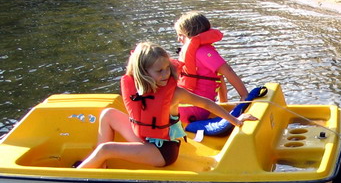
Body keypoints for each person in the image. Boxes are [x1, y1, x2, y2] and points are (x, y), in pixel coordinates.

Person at [76, 42, 255, 169]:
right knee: (108, 114)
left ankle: (77, 177)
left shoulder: (175, 94)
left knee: (106, 149)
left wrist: (236, 120)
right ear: (143, 73)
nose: (165, 74)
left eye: (167, 69)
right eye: (159, 71)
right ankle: (101, 165)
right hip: (145, 138)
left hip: (162, 152)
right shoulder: (138, 87)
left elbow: (206, 103)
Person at [174, 11, 249, 124]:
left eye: (181, 35)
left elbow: (222, 75)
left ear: (190, 34)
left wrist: (241, 98)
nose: (178, 39)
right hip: (195, 112)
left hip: (190, 110)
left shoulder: (201, 52)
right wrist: (244, 95)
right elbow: (227, 72)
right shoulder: (203, 51)